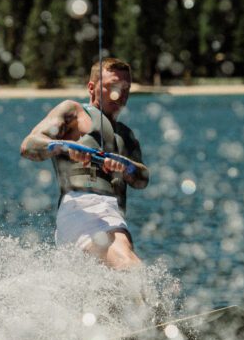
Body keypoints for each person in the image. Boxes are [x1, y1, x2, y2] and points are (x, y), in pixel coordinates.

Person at [20, 57, 150, 270]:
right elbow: (29, 145)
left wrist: (126, 166)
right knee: (131, 267)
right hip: (84, 208)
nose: (120, 94)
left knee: (113, 291)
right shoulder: (73, 112)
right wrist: (65, 146)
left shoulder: (126, 135)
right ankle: (151, 304)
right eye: (112, 87)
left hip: (111, 215)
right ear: (92, 87)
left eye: (125, 88)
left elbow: (142, 180)